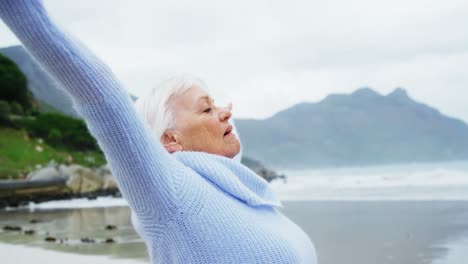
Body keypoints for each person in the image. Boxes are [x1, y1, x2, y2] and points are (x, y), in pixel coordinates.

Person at [0, 1, 317, 263]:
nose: (225, 113)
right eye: (205, 109)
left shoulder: (244, 194)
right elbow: (102, 98)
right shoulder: (171, 193)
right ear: (170, 139)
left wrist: (216, 112)